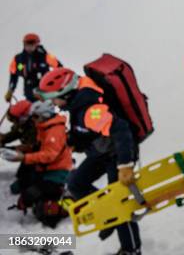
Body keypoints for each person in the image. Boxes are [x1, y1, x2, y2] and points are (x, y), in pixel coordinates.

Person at [38, 68, 141, 255]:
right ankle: (108, 214)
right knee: (76, 183)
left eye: (54, 97)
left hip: (118, 154)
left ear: (67, 94)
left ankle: (131, 250)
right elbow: (84, 130)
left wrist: (125, 165)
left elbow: (121, 130)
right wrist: (74, 141)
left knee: (119, 201)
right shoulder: (76, 104)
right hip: (101, 151)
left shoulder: (90, 110)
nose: (52, 102)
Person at [1, 100, 72, 227]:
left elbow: (49, 155)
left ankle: (64, 200)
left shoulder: (54, 131)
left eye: (35, 116)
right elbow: (39, 147)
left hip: (57, 171)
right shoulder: (44, 126)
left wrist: (24, 157)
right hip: (44, 168)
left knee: (39, 206)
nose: (32, 119)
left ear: (43, 115)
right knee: (22, 186)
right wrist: (21, 149)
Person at [5, 33, 62, 102]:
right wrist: (10, 90)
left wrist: (58, 86)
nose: (29, 47)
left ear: (37, 44)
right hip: (29, 93)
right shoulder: (18, 59)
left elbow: (60, 69)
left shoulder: (45, 56)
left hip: (45, 94)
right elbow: (13, 74)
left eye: (32, 44)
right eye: (27, 44)